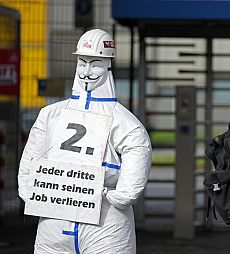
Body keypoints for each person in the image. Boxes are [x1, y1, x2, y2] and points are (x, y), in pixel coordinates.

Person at [18, 29, 152, 254]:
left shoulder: (126, 124)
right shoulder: (49, 115)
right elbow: (27, 174)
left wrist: (98, 193)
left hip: (103, 224)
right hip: (61, 221)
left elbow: (128, 192)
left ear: (108, 66)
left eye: (95, 64)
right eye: (82, 62)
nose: (87, 71)